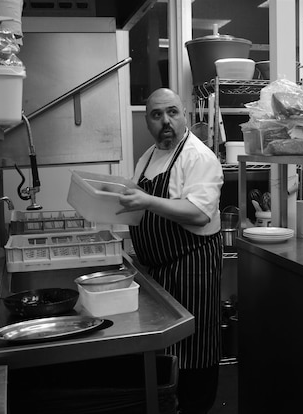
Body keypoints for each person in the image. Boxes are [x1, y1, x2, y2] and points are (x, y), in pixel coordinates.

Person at [118, 88, 224, 413]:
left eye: (172, 112)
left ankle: (197, 407)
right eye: (156, 114)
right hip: (157, 271)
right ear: (148, 122)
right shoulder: (147, 158)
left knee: (195, 350)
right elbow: (139, 209)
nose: (166, 121)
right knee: (169, 352)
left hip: (192, 268)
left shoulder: (198, 157)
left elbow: (198, 212)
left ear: (184, 115)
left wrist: (147, 200)